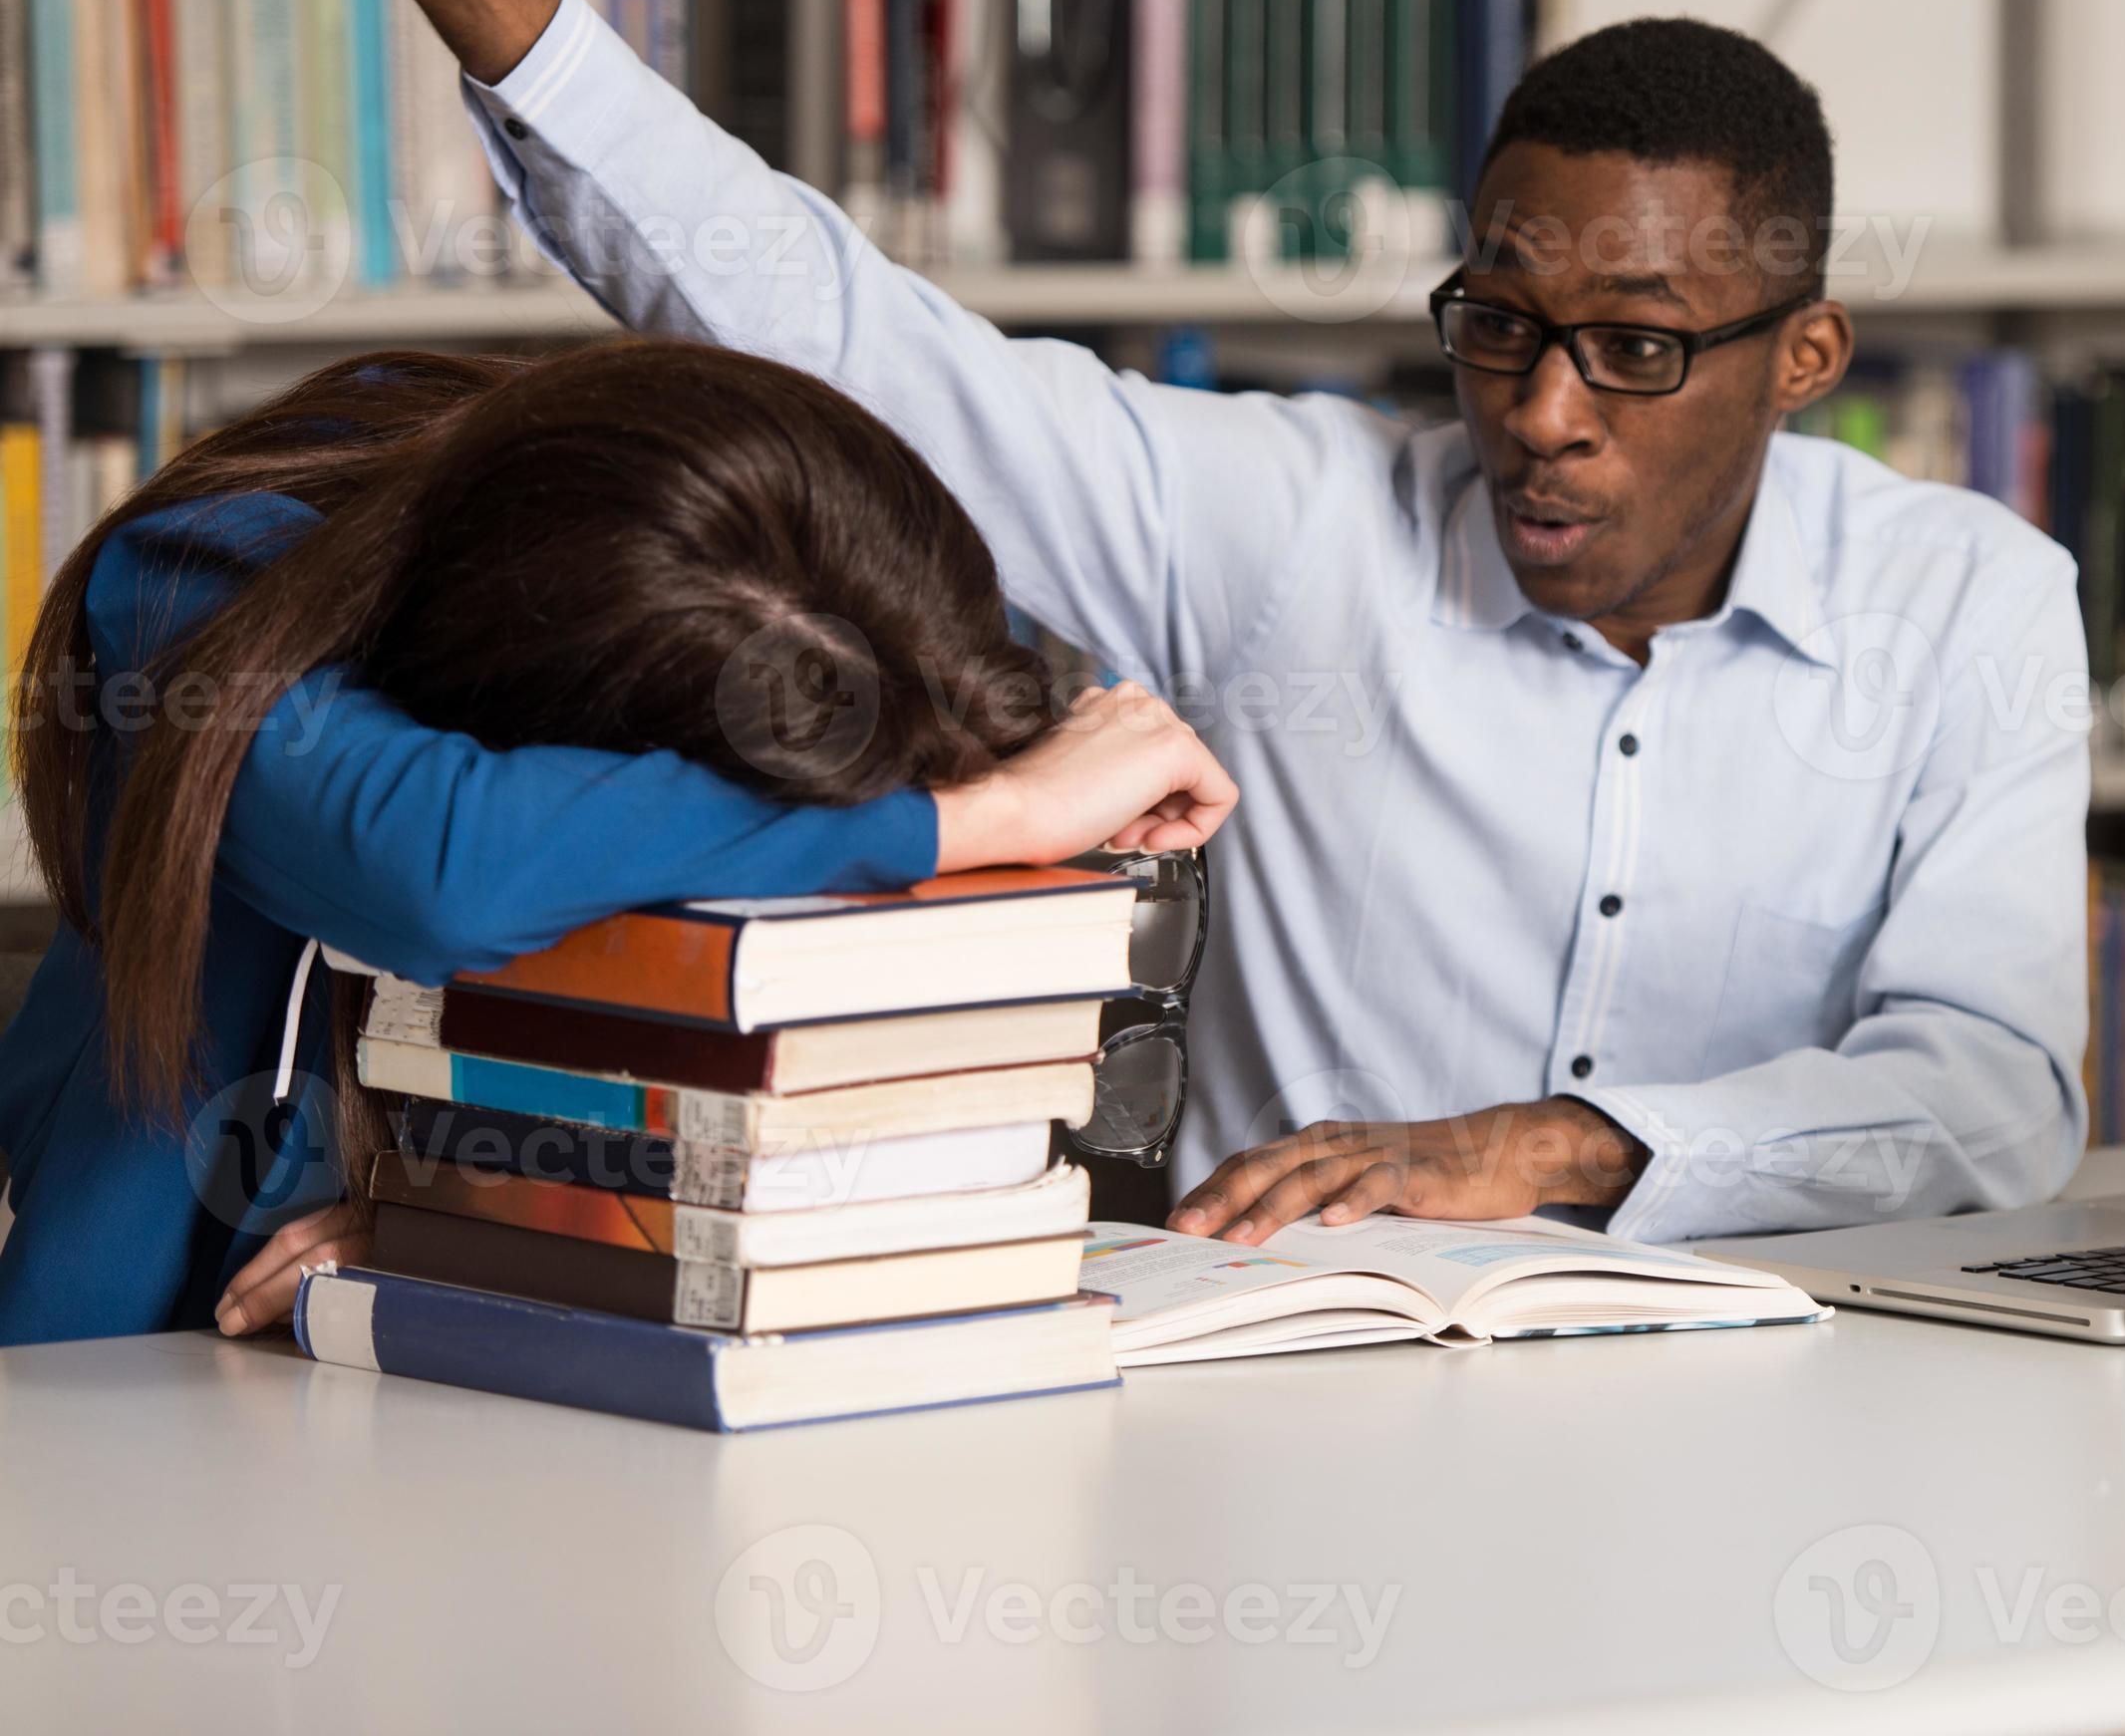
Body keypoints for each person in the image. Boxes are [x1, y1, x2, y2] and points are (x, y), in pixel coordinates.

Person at [279, 0, 2093, 1246]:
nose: (1543, 416)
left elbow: (1992, 1092)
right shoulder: (1293, 524)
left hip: (1768, 1429)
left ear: (1805, 358)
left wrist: (1555, 1152)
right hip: (1301, 1428)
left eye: (1634, 350)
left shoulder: (1968, 607)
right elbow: (847, 340)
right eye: (1501, 329)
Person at [0, 341, 1237, 1344]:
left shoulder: (822, 590)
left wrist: (496, 1227)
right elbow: (444, 869)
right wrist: (983, 820)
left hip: (494, 1340)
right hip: (126, 1386)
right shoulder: (212, 574)